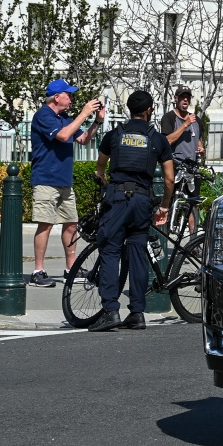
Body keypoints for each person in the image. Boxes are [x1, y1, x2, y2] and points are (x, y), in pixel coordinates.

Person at [87, 89, 176, 332]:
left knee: (110, 250)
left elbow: (100, 168)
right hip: (143, 201)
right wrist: (165, 206)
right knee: (138, 255)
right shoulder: (157, 139)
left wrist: (105, 183)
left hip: (118, 199)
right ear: (149, 110)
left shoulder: (114, 135)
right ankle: (137, 312)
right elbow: (169, 179)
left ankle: (110, 310)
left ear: (129, 109)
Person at [27, 79, 102, 287]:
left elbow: (83, 139)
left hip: (64, 180)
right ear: (57, 97)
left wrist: (96, 122)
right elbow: (63, 135)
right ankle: (38, 271)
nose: (71, 98)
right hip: (45, 179)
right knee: (46, 224)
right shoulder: (43, 115)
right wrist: (84, 113)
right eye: (68, 94)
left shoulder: (65, 117)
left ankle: (71, 270)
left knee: (71, 224)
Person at [160, 86, 200, 165]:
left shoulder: (196, 119)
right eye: (182, 97)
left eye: (188, 97)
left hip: (193, 167)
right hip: (175, 167)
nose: (185, 99)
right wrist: (185, 124)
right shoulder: (169, 117)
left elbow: (198, 140)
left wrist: (201, 148)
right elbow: (167, 141)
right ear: (176, 98)